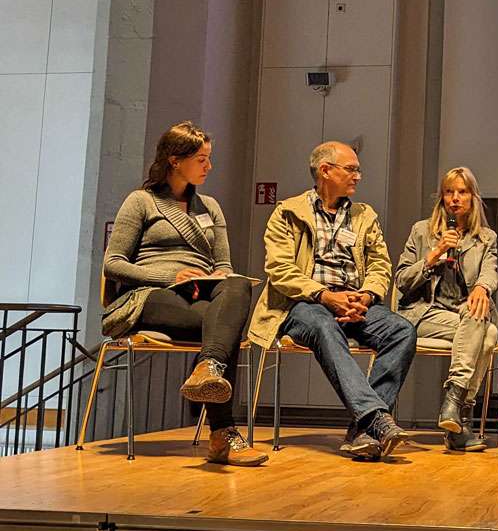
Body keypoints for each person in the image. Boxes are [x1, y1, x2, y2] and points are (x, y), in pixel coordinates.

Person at [102, 121, 266, 466]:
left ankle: (208, 367)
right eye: (202, 159)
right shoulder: (141, 201)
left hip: (201, 291)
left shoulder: (210, 207)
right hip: (150, 293)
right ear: (175, 160)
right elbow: (113, 264)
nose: (209, 167)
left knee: (236, 284)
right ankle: (223, 433)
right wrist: (169, 275)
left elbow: (223, 262)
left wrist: (218, 275)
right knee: (225, 328)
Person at [249, 141, 416, 461]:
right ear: (325, 170)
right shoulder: (287, 212)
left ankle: (364, 430)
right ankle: (375, 418)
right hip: (303, 304)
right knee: (324, 326)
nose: (358, 176)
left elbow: (381, 264)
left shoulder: (364, 215)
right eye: (351, 169)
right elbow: (279, 269)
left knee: (402, 330)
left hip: (357, 301)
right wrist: (326, 296)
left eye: (358, 170)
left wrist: (365, 296)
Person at [394, 167, 498, 452]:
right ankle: (456, 412)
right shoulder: (422, 231)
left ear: (473, 198)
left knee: (485, 328)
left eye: (462, 192)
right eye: (449, 192)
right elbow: (402, 280)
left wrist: (483, 288)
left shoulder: (486, 238)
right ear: (441, 197)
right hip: (422, 313)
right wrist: (433, 255)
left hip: (465, 315)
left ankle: (455, 414)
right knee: (484, 329)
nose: (455, 198)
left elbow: (491, 273)